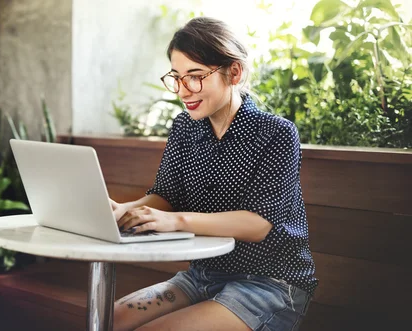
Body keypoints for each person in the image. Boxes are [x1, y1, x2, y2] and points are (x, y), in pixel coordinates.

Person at [110, 17, 317, 331]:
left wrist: (177, 220)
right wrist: (123, 210)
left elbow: (257, 224)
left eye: (195, 76)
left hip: (269, 284)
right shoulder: (184, 127)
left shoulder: (276, 133)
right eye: (176, 78)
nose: (183, 90)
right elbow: (165, 195)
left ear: (233, 72)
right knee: (108, 319)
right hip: (201, 276)